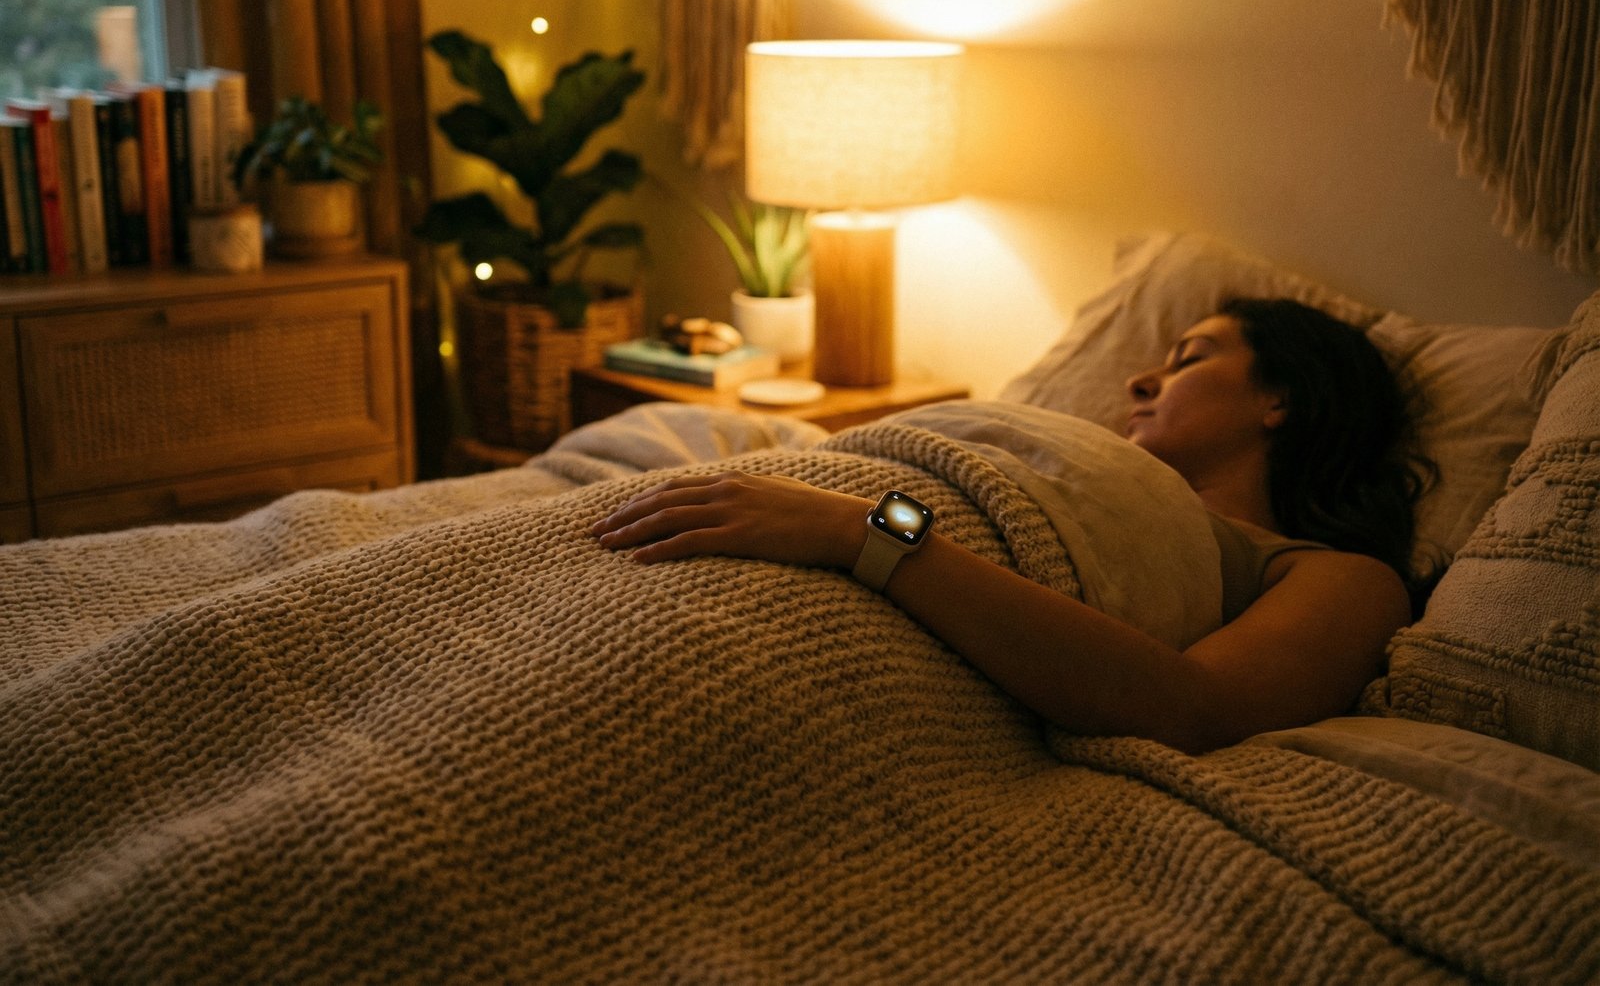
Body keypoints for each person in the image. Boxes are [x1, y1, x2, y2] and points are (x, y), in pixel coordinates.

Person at [591, 297, 1435, 755]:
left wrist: (864, 532)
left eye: (1189, 358)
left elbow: (1198, 710)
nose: (1141, 379)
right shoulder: (1075, 464)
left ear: (1278, 399)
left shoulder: (1341, 576)